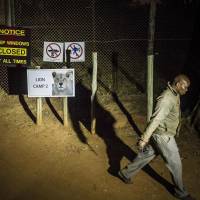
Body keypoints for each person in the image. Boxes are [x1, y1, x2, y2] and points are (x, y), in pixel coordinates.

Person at [118, 74, 196, 200]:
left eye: (187, 88)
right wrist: (144, 138)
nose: (186, 90)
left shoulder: (175, 94)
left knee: (146, 155)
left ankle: (125, 173)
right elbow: (156, 119)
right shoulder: (166, 98)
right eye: (185, 87)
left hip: (162, 134)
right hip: (163, 136)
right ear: (177, 85)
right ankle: (180, 192)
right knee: (175, 163)